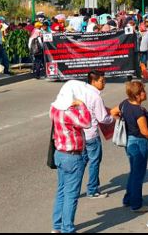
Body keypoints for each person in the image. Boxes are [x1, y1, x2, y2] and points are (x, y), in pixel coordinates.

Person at [50, 81, 91, 234]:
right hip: (73, 155)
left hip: (59, 153)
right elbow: (86, 123)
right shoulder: (69, 110)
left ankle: (57, 225)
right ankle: (67, 228)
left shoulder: (54, 108)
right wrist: (82, 106)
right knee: (71, 195)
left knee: (61, 190)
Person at [82, 71, 118, 200]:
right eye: (102, 81)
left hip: (81, 133)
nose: (104, 83)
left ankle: (75, 188)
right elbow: (102, 118)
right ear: (94, 81)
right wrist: (113, 118)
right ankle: (92, 190)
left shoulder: (83, 91)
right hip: (91, 133)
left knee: (82, 161)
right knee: (94, 161)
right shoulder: (96, 97)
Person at [118, 80, 148, 212]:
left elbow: (114, 112)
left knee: (133, 172)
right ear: (137, 95)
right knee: (138, 174)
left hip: (129, 141)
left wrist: (123, 122)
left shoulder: (124, 103)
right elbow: (144, 132)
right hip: (139, 142)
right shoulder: (139, 112)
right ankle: (136, 204)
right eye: (143, 91)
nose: (145, 93)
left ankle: (128, 198)